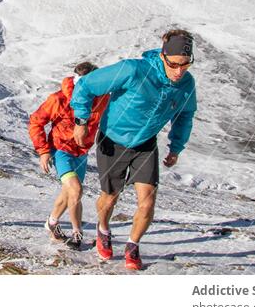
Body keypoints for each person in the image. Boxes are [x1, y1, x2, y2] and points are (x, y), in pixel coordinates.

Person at [70, 29, 198, 270]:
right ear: (163, 56)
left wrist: (176, 147)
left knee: (148, 202)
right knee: (110, 197)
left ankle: (132, 245)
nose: (180, 71)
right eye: (174, 64)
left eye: (186, 65)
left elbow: (185, 116)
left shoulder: (186, 84)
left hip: (145, 144)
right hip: (113, 140)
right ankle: (103, 229)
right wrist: (81, 121)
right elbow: (86, 86)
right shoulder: (133, 70)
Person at [28, 62, 110, 250]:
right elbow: (36, 121)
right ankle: (76, 234)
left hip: (81, 153)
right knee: (76, 190)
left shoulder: (102, 98)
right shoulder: (58, 99)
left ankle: (52, 222)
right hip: (61, 150)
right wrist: (43, 151)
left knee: (69, 194)